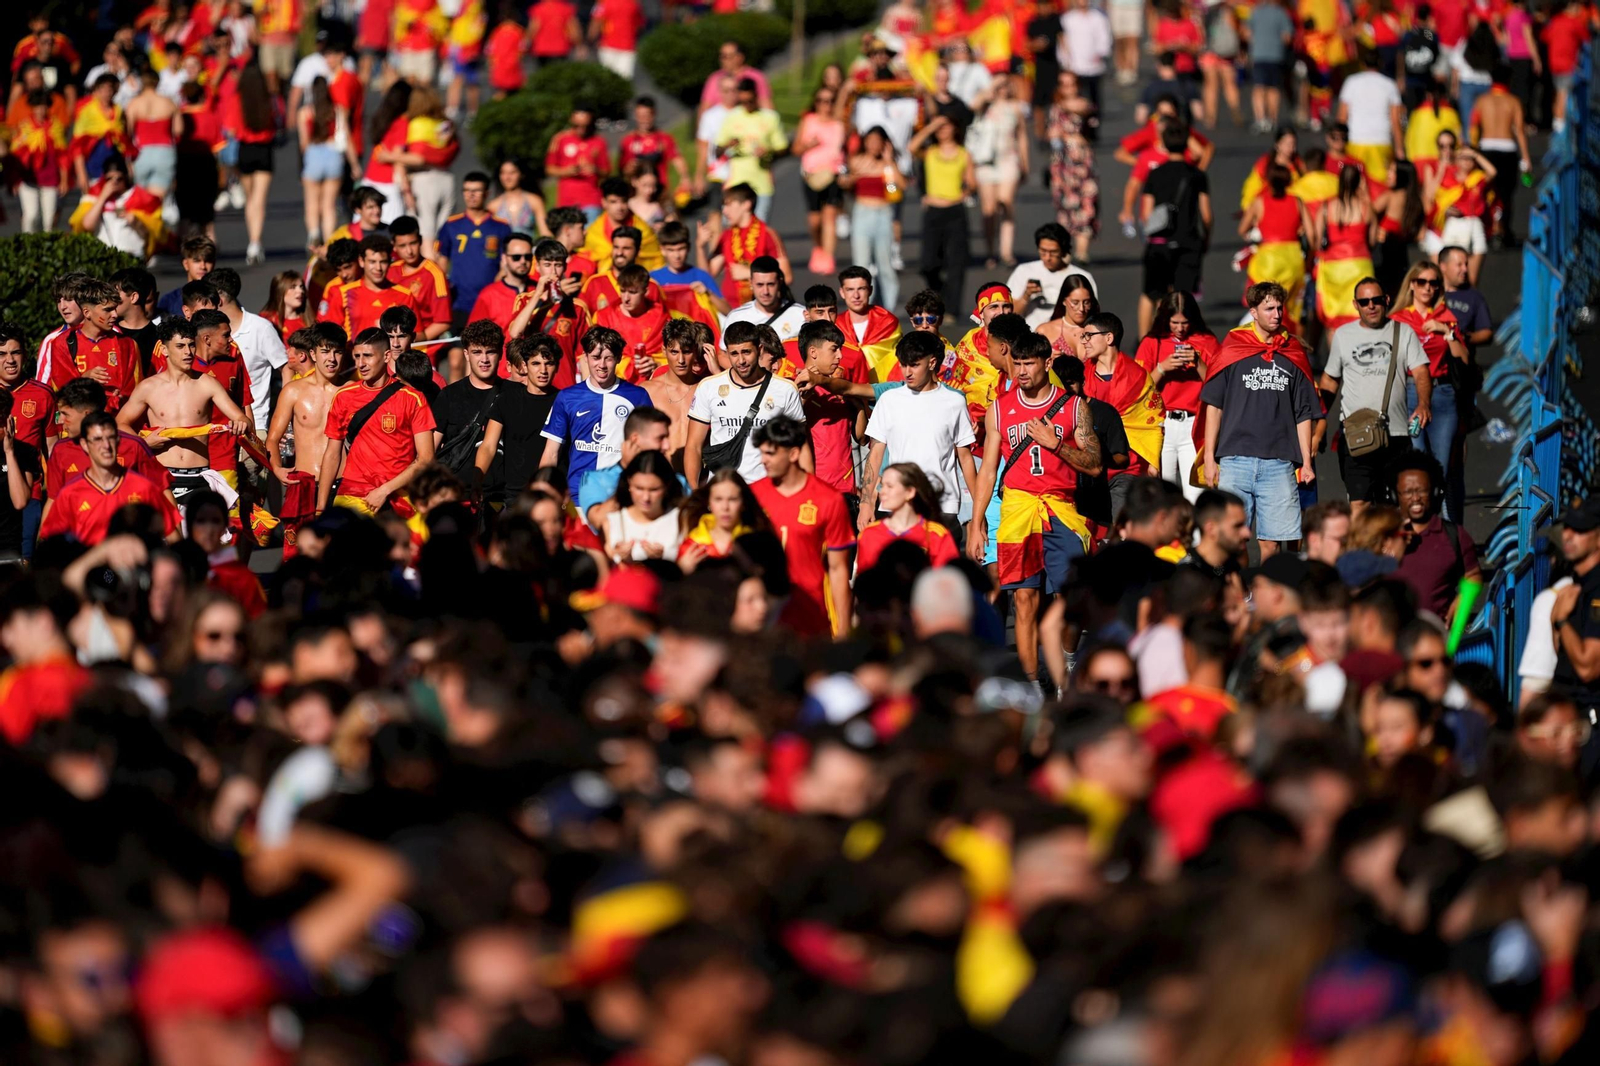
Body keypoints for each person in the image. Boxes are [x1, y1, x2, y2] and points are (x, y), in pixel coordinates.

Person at [970, 332, 1101, 681]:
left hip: (1061, 509)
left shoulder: (1074, 406)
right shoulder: (999, 408)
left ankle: (1068, 658)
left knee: (1073, 597)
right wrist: (977, 523)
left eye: (1029, 363)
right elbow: (987, 470)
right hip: (1017, 509)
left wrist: (1056, 444)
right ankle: (1030, 684)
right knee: (1023, 599)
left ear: (1047, 362)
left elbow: (1094, 464)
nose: (1022, 371)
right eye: (1017, 363)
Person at [1198, 282, 1319, 559]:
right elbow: (1214, 406)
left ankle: (1268, 587)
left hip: (1279, 462)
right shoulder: (1232, 348)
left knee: (1272, 544)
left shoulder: (1293, 352)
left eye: (1279, 308)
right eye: (1269, 309)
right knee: (1231, 543)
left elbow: (1304, 413)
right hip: (1235, 460)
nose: (1277, 314)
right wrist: (1209, 459)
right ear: (1253, 312)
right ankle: (1235, 585)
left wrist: (1307, 463)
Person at [1318, 277, 1432, 514]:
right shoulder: (1343, 335)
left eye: (1376, 300)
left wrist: (1423, 404)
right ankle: (1362, 540)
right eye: (1364, 302)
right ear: (1355, 304)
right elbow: (1330, 379)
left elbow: (1421, 371)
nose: (1371, 306)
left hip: (1396, 434)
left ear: (1386, 300)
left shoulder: (1403, 332)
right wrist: (1318, 421)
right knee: (1359, 503)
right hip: (1356, 434)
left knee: (1393, 505)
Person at [116, 318, 250, 511]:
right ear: (164, 350)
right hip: (161, 476)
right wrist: (143, 442)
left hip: (198, 477)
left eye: (191, 345)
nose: (188, 352)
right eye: (180, 346)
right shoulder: (148, 387)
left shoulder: (207, 383)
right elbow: (120, 423)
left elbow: (241, 418)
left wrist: (241, 423)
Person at [860, 331, 978, 531]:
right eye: (903, 364)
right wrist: (866, 503)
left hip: (942, 506)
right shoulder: (889, 400)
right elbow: (875, 454)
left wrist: (978, 513)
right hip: (896, 505)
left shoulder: (955, 402)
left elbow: (965, 459)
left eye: (914, 365)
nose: (907, 372)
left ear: (932, 363)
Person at [749, 416, 854, 639]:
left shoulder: (829, 500)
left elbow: (838, 569)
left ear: (793, 454)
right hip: (764, 615)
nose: (763, 460)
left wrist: (844, 630)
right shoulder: (752, 496)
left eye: (770, 453)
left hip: (812, 614)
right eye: (762, 453)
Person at [315, 328, 437, 516]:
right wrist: (321, 507)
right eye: (357, 356)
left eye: (368, 356)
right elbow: (332, 453)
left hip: (398, 497)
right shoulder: (344, 396)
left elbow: (426, 459)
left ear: (387, 356)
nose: (360, 364)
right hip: (352, 494)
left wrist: (384, 490)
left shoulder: (413, 398)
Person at [683, 320, 806, 488]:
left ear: (759, 350)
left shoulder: (785, 389)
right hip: (723, 491)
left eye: (746, 352)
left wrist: (807, 492)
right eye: (734, 354)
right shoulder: (709, 387)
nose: (741, 360)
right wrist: (694, 490)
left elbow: (801, 446)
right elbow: (693, 446)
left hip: (770, 491)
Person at [1391, 261, 1468, 520]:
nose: (1428, 288)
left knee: (1442, 468)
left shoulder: (1446, 315)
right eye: (1422, 282)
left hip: (1443, 395)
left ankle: (1439, 527)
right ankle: (1419, 524)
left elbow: (1464, 359)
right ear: (1411, 284)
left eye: (1433, 283)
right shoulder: (1399, 319)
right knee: (1417, 461)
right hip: (1410, 393)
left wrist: (1447, 332)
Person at [538, 326, 653, 499]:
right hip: (578, 496)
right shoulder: (567, 397)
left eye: (609, 358)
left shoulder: (638, 396)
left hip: (622, 496)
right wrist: (541, 496)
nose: (602, 365)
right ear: (585, 358)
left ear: (619, 358)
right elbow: (551, 453)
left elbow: (650, 449)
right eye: (596, 357)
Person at [39, 412, 180, 545]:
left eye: (111, 438)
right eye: (97, 439)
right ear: (84, 444)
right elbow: (50, 543)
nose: (106, 446)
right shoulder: (70, 494)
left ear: (118, 441)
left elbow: (174, 538)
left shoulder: (144, 488)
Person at [1080, 313, 1163, 522]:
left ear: (1109, 338)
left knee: (1121, 528)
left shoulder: (1138, 377)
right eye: (1083, 336)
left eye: (1089, 335)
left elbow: (1152, 422)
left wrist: (1153, 463)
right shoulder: (1080, 376)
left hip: (1128, 467)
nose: (1084, 341)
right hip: (1088, 467)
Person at [1135, 291, 1215, 504]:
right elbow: (1138, 390)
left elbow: (1219, 385)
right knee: (1164, 494)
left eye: (1185, 322)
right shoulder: (1152, 342)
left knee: (1196, 494)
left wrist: (1198, 363)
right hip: (1162, 425)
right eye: (1174, 323)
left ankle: (1194, 528)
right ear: (1165, 319)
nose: (1180, 328)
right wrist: (1162, 368)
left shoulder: (1207, 341)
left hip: (1194, 425)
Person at [1138, 122, 1211, 336]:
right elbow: (1206, 215)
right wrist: (1206, 238)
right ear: (1187, 143)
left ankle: (1145, 341)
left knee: (1151, 294)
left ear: (1164, 142)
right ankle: (1182, 341)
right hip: (1188, 242)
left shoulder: (1155, 174)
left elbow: (1146, 214)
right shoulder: (1197, 175)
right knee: (1184, 298)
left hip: (1159, 244)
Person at [1391, 452, 1479, 620]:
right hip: (1391, 633)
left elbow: (1472, 575)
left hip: (1437, 632)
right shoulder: (1382, 534)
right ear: (1395, 496)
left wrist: (1462, 602)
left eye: (1422, 491)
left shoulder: (1455, 535)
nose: (1415, 498)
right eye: (1408, 492)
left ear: (1435, 492)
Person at [473, 333, 561, 502]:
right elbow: (489, 446)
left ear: (556, 367)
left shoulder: (564, 402)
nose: (543, 370)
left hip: (552, 495)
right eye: (536, 363)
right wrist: (477, 480)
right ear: (525, 366)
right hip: (514, 496)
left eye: (549, 364)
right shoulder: (506, 400)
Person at [909, 113, 976, 320]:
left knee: (956, 262)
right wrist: (931, 126)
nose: (942, 130)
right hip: (933, 211)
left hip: (955, 211)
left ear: (955, 129)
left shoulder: (963, 154)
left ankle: (952, 309)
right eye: (939, 127)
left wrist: (963, 194)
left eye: (946, 126)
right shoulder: (930, 152)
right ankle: (940, 294)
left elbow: (972, 182)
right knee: (928, 263)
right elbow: (912, 147)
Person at [967, 72, 1030, 268]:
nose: (1003, 88)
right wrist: (993, 85)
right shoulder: (984, 106)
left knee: (1005, 201)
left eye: (1006, 84)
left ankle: (1006, 251)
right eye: (1000, 85)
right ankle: (990, 251)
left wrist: (1025, 162)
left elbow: (1021, 136)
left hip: (1008, 159)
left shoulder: (1016, 108)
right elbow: (973, 105)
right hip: (986, 161)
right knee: (989, 209)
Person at [839, 127, 904, 317]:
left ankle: (888, 308)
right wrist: (852, 177)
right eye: (870, 141)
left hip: (883, 213)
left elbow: (898, 187)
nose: (874, 145)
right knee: (862, 263)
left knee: (885, 264)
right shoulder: (857, 161)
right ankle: (863, 306)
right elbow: (844, 183)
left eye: (877, 141)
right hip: (862, 213)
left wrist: (889, 161)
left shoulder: (888, 165)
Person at [218, 61, 276, 264]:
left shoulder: (238, 99)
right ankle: (256, 241)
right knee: (259, 199)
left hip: (245, 149)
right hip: (264, 149)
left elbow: (230, 129)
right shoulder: (268, 98)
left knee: (250, 199)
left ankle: (252, 241)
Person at [857, 462, 961, 573]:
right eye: (882, 486)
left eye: (890, 486)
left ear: (910, 492)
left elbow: (948, 579)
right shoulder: (869, 534)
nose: (882, 492)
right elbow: (864, 580)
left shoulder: (936, 535)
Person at [322, 235, 424, 341]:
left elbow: (420, 334)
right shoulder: (344, 293)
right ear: (361, 261)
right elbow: (329, 335)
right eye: (372, 262)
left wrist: (393, 336)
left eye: (383, 262)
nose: (378, 268)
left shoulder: (405, 295)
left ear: (390, 262)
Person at [1044, 74, 1100, 265]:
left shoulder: (1084, 105)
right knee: (1065, 206)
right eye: (1063, 84)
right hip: (1062, 164)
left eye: (1071, 84)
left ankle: (1082, 251)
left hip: (1083, 163)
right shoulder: (1054, 109)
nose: (1068, 88)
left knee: (1087, 203)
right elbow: (1051, 134)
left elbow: (1087, 116)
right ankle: (1066, 250)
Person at [1008, 223, 1097, 329]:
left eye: (1053, 252)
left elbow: (1092, 316)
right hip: (1029, 334)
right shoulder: (1024, 271)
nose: (1047, 257)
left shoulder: (1082, 277)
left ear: (1063, 250)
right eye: (1043, 251)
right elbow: (1009, 315)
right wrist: (1026, 296)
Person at [604, 451, 684, 563]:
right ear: (629, 483)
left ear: (667, 486)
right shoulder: (613, 522)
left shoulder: (680, 519)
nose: (646, 498)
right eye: (639, 488)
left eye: (654, 490)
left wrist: (663, 562)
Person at [721, 255, 804, 347]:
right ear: (751, 283)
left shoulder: (801, 315)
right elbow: (723, 352)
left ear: (780, 282)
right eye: (760, 285)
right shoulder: (736, 317)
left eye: (770, 284)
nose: (765, 292)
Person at [546, 104, 610, 223]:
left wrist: (595, 169)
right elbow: (549, 169)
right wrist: (566, 171)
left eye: (586, 126)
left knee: (589, 232)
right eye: (577, 126)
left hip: (591, 200)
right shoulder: (560, 139)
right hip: (566, 200)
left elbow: (606, 171)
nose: (581, 129)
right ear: (571, 120)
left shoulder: (599, 142)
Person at [1247, 0, 1296, 132]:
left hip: (1258, 54)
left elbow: (1247, 33)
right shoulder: (1281, 13)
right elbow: (1287, 37)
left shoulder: (1256, 12)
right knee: (1273, 88)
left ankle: (1260, 119)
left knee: (1259, 87)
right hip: (1276, 55)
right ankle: (1272, 119)